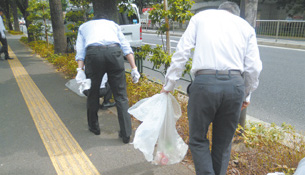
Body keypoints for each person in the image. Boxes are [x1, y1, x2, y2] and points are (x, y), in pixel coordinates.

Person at [161, 1, 262, 175]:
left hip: (205, 84)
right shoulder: (245, 27)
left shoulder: (201, 17)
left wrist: (169, 84)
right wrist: (247, 95)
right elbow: (254, 67)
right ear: (235, 14)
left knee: (198, 139)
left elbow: (182, 51)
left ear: (220, 10)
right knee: (223, 144)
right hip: (235, 85)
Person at [75, 14, 140, 144]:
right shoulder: (113, 25)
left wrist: (80, 70)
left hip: (94, 55)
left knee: (93, 93)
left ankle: (94, 127)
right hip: (114, 53)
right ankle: (126, 134)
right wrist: (134, 68)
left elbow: (81, 51)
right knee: (121, 96)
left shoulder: (83, 27)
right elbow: (126, 47)